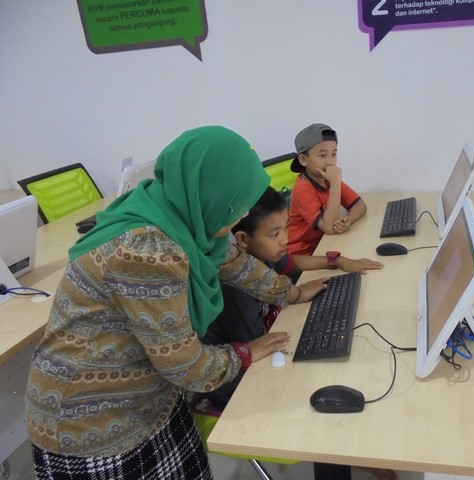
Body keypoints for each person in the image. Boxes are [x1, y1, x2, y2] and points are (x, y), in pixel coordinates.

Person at [24, 126, 290, 480]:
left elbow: (232, 262)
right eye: (237, 207)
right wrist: (245, 353)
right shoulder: (147, 250)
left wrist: (291, 292)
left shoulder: (177, 212)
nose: (242, 216)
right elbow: (185, 366)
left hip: (150, 395)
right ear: (213, 196)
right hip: (92, 422)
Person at [193, 186, 384, 412]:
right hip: (232, 384)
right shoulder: (234, 290)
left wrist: (337, 261)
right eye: (275, 234)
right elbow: (260, 347)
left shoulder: (262, 254)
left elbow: (292, 264)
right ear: (243, 239)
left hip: (257, 351)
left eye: (286, 228)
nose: (285, 240)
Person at [287, 123, 368, 255]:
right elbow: (329, 228)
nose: (330, 162)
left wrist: (347, 221)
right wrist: (335, 182)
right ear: (303, 160)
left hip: (324, 243)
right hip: (302, 254)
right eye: (322, 155)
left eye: (333, 154)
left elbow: (360, 205)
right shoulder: (302, 188)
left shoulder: (327, 178)